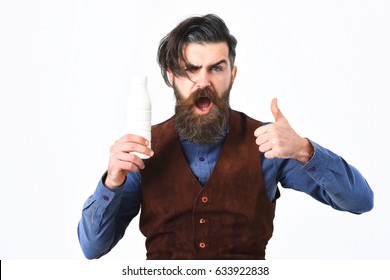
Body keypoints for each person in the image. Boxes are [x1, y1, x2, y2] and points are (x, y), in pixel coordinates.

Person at [77, 14, 374, 260]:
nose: (203, 81)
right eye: (190, 70)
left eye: (215, 68)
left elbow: (361, 201)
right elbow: (93, 248)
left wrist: (305, 151)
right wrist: (111, 182)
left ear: (231, 75)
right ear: (171, 76)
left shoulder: (266, 142)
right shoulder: (145, 147)